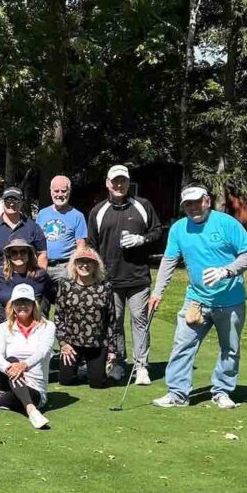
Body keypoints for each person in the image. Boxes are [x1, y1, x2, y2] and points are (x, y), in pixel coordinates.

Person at [148, 184, 247, 409]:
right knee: (182, 345)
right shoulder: (179, 229)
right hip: (196, 299)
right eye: (188, 204)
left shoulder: (227, 223)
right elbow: (169, 261)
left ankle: (222, 391)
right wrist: (157, 292)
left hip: (230, 300)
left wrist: (226, 270)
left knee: (230, 348)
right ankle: (177, 393)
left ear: (207, 201)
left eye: (197, 202)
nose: (193, 207)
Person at [87, 164, 162, 385]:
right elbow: (92, 245)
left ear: (128, 183)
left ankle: (141, 366)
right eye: (115, 181)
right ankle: (119, 362)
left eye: (123, 181)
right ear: (107, 183)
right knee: (115, 322)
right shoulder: (98, 211)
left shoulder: (143, 205)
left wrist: (142, 239)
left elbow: (157, 232)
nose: (119, 185)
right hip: (110, 278)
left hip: (138, 276)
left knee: (140, 321)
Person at [0, 284, 55, 430]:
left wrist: (24, 365)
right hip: (3, 379)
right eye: (18, 302)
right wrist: (12, 367)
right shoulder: (3, 327)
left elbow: (43, 351)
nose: (22, 306)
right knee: (11, 360)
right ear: (12, 305)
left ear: (33, 304)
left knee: (27, 397)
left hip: (34, 386)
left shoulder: (48, 326)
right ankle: (31, 411)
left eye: (26, 302)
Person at [53, 246, 116, 389]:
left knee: (97, 383)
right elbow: (59, 315)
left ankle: (93, 368)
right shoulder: (65, 285)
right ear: (74, 265)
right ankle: (79, 368)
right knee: (65, 381)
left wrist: (111, 350)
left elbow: (111, 319)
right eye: (81, 261)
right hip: (72, 344)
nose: (85, 265)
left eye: (89, 262)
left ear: (96, 265)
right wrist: (63, 343)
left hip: (97, 344)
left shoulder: (105, 287)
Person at [0, 187, 48, 293]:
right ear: (2, 202)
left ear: (21, 203)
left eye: (16, 200)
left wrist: (39, 277)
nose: (11, 204)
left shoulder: (33, 228)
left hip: (26, 283)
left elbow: (42, 253)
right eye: (8, 201)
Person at [37, 175, 87, 283]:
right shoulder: (42, 213)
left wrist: (74, 267)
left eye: (63, 191)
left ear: (69, 191)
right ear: (51, 191)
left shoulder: (77, 216)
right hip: (43, 265)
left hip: (65, 267)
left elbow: (81, 245)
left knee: (64, 299)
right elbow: (36, 240)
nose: (59, 194)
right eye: (56, 191)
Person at [0, 237, 52, 320]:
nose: (19, 255)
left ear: (29, 254)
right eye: (14, 252)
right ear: (8, 255)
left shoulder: (40, 274)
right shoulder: (0, 274)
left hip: (33, 325)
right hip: (6, 325)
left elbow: (52, 297)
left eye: (23, 252)